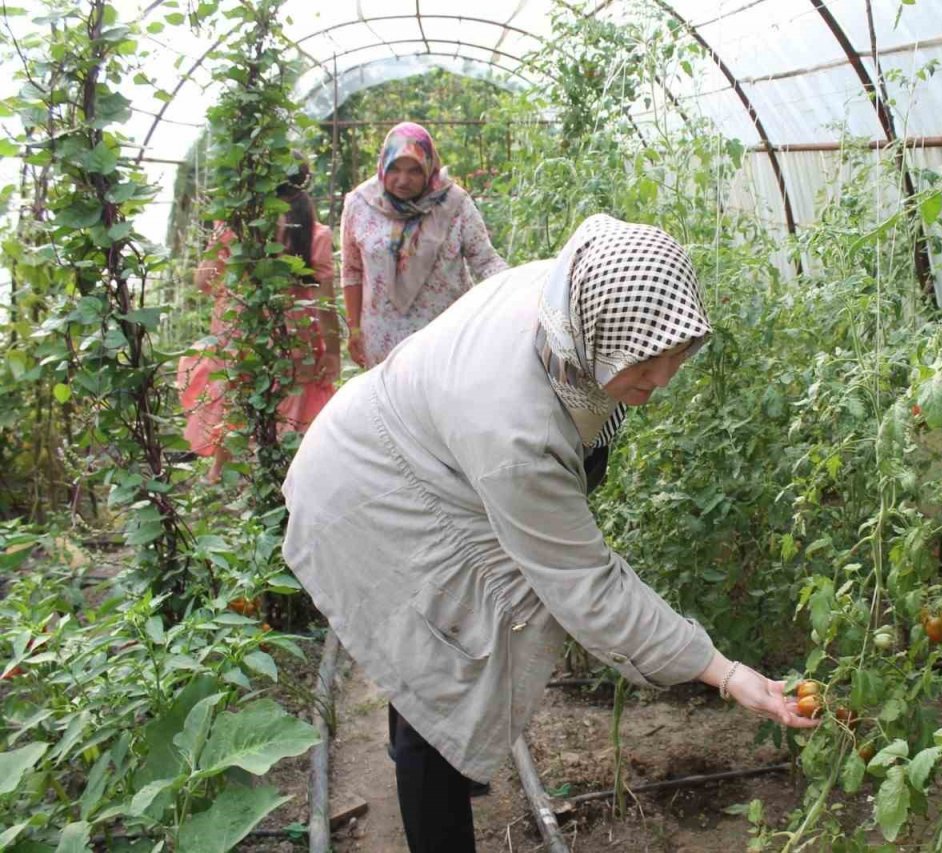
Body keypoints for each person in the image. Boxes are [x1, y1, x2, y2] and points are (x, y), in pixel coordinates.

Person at [282, 214, 818, 852]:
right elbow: (587, 587)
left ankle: (452, 757)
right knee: (435, 673)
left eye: (673, 358)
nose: (659, 382)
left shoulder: (570, 300)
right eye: (642, 368)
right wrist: (726, 673)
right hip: (372, 492)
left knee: (448, 661)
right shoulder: (516, 436)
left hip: (420, 458)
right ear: (596, 341)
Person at [177, 160, 340, 483]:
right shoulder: (315, 233)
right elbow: (324, 302)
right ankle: (289, 479)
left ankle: (219, 474)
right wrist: (332, 350)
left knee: (234, 394)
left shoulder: (238, 225)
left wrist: (223, 242)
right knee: (295, 403)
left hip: (240, 329)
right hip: (294, 337)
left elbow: (203, 283)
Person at [341, 121, 508, 369]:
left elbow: (485, 260)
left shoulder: (453, 204)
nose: (403, 180)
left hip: (446, 338)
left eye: (415, 170)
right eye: (395, 168)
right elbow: (352, 271)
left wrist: (518, 287)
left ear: (429, 168)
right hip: (383, 342)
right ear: (383, 165)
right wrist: (354, 329)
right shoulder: (360, 204)